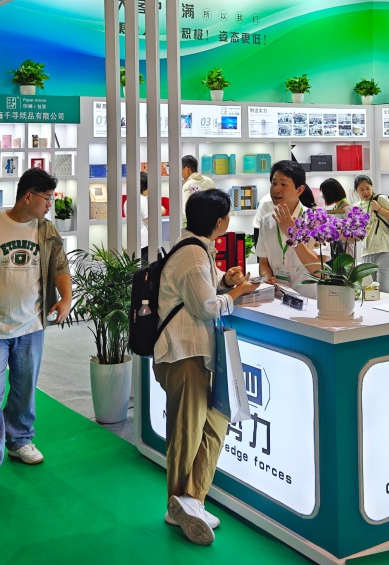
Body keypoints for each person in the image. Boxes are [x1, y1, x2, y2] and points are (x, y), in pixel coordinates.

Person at [0, 167, 74, 488]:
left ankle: (20, 440)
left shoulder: (46, 230)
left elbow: (60, 267)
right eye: (46, 198)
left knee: (24, 389)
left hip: (31, 326)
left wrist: (66, 299)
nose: (49, 204)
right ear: (28, 196)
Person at [153, 188, 257, 545]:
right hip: (184, 353)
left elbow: (197, 292)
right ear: (220, 222)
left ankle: (192, 501)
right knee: (187, 433)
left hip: (194, 353)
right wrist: (236, 294)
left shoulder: (196, 250)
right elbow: (205, 307)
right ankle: (177, 505)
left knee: (215, 422)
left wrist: (223, 282)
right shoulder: (194, 254)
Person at [256, 161, 321, 298]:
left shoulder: (315, 220)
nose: (276, 189)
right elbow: (263, 263)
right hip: (277, 299)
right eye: (274, 183)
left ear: (299, 190)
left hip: (308, 300)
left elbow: (319, 270)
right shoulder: (266, 221)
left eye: (283, 184)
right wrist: (267, 278)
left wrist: (294, 236)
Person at [354, 174, 389, 295]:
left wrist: (379, 208)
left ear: (372, 187)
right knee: (370, 290)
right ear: (356, 191)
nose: (365, 192)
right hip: (367, 251)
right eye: (361, 189)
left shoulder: (380, 199)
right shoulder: (356, 207)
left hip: (384, 249)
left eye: (368, 188)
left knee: (383, 289)